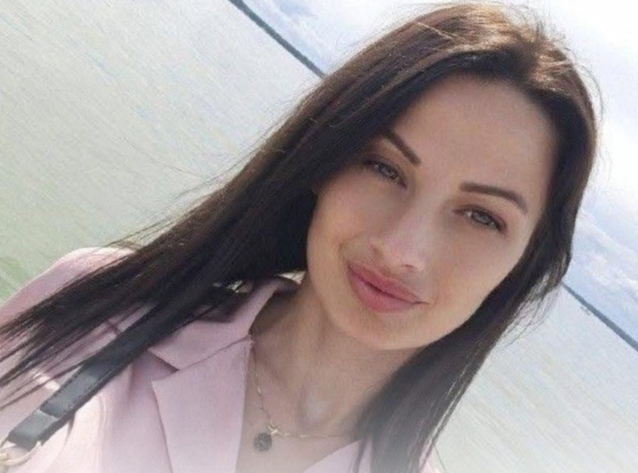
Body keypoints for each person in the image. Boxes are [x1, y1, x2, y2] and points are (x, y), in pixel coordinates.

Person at [0, 2, 598, 473]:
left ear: (525, 262)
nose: (401, 250)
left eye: (481, 217)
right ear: (325, 159)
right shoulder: (100, 307)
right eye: (384, 168)